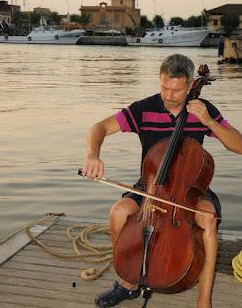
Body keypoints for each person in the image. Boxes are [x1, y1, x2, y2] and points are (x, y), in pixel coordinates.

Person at [82, 54, 242, 308]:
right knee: (118, 212)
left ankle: (204, 301)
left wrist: (209, 121)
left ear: (190, 85)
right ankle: (128, 283)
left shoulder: (203, 110)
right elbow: (99, 128)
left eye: (176, 90)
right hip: (150, 186)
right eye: (164, 87)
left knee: (208, 220)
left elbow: (239, 146)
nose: (168, 96)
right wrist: (93, 154)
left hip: (190, 188)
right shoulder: (144, 108)